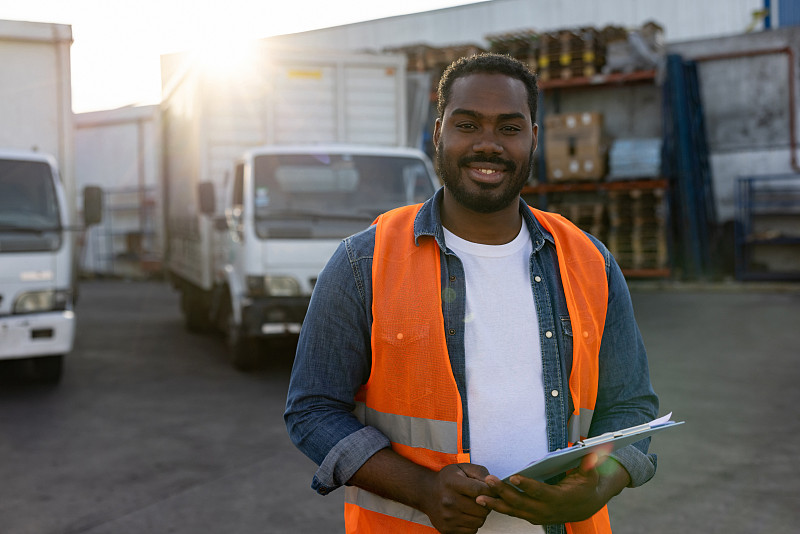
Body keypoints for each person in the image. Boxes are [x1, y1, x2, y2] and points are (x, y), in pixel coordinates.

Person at [285, 53, 659, 534]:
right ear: (439, 132)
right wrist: (421, 488)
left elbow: (630, 406)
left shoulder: (591, 261)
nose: (489, 145)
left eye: (509, 127)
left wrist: (600, 483)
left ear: (533, 139)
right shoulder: (364, 261)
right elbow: (313, 409)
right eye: (468, 125)